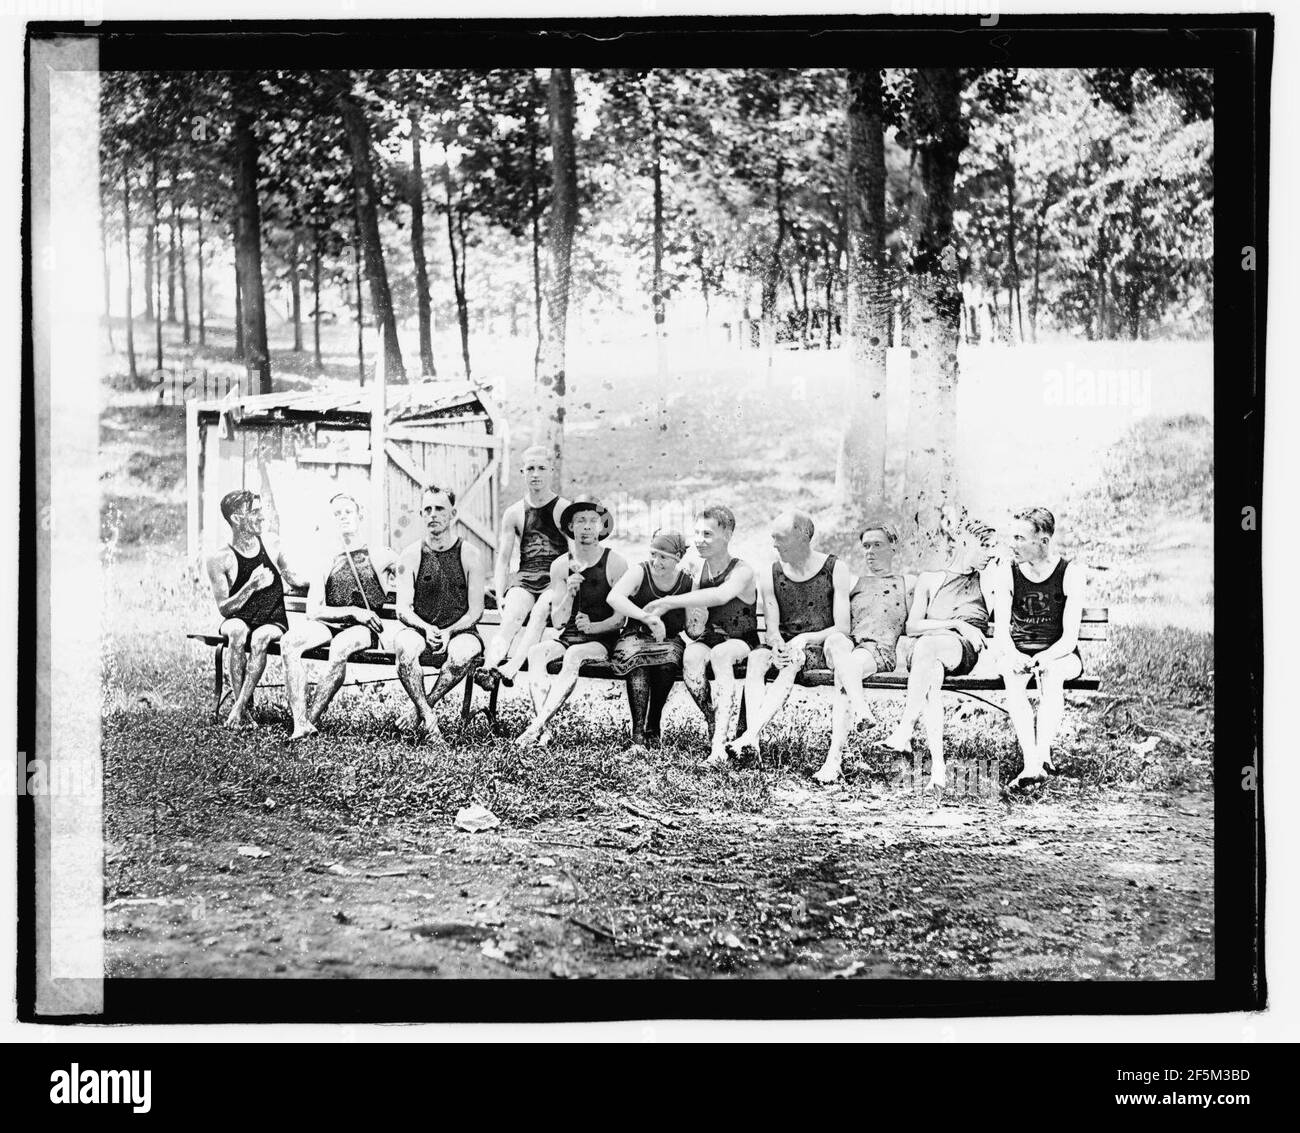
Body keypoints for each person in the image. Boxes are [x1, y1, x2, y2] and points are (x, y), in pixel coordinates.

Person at [724, 510, 852, 764]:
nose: (774, 544)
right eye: (773, 538)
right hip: (784, 648)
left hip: (818, 647)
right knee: (757, 659)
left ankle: (749, 736)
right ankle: (752, 745)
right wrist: (776, 643)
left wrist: (804, 639)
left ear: (802, 537)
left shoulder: (835, 568)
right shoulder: (770, 573)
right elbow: (772, 628)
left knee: (793, 659)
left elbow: (842, 628)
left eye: (780, 538)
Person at [881, 519, 998, 794]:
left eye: (992, 547)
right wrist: (957, 624)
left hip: (961, 652)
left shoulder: (989, 579)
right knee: (930, 672)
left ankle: (906, 728)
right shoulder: (930, 579)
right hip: (926, 653)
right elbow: (912, 627)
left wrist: (959, 631)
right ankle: (939, 768)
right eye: (984, 546)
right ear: (964, 542)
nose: (989, 553)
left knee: (928, 647)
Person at [640, 505, 760, 768]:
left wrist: (669, 601)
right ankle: (713, 719)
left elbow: (721, 595)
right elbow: (694, 626)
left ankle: (719, 747)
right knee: (691, 658)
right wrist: (692, 619)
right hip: (710, 639)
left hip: (741, 640)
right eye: (696, 533)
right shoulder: (699, 569)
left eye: (707, 534)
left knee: (720, 655)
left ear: (727, 535)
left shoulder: (742, 570)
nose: (699, 540)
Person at [280, 493, 398, 740]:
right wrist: (354, 611)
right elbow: (314, 611)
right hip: (330, 622)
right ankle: (300, 723)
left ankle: (310, 720)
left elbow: (412, 576)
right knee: (289, 642)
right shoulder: (325, 558)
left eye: (348, 512)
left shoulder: (381, 554)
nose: (343, 517)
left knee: (340, 646)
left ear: (360, 515)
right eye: (337, 514)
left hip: (363, 629)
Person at [515, 497, 628, 747]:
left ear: (601, 526)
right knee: (536, 652)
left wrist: (594, 627)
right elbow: (558, 622)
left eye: (593, 521)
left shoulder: (615, 562)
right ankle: (543, 730)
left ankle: (534, 729)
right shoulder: (560, 566)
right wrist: (569, 592)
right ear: (571, 527)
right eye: (580, 521)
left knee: (574, 655)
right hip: (569, 637)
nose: (586, 526)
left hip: (601, 641)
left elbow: (620, 619)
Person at [988, 506, 1087, 788]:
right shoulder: (1007, 572)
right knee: (1012, 674)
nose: (1012, 544)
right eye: (1013, 537)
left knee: (1052, 673)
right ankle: (1032, 763)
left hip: (1060, 654)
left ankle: (1039, 757)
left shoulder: (1070, 573)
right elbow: (1002, 632)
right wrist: (1014, 655)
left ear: (1043, 540)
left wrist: (1045, 656)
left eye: (1020, 538)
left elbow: (1069, 639)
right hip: (1018, 651)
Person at [814, 521, 916, 784]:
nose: (870, 552)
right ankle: (861, 711)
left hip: (877, 651)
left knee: (845, 673)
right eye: (866, 546)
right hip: (848, 647)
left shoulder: (907, 583)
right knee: (836, 642)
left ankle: (834, 760)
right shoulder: (853, 583)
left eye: (877, 545)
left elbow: (916, 625)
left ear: (894, 547)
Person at [392, 485, 486, 744]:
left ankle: (420, 710)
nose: (433, 514)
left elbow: (476, 610)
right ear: (421, 514)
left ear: (453, 514)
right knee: (405, 647)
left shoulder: (470, 554)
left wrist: (449, 631)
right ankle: (429, 720)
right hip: (421, 629)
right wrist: (425, 628)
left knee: (462, 654)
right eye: (428, 509)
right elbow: (403, 608)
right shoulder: (411, 555)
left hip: (460, 630)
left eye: (440, 509)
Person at [205, 489, 306, 729]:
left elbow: (293, 578)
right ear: (236, 519)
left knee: (260, 637)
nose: (262, 517)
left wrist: (321, 583)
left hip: (272, 618)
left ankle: (239, 709)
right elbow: (225, 609)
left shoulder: (272, 543)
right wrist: (251, 586)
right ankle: (244, 712)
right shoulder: (219, 558)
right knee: (237, 631)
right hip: (238, 617)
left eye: (261, 510)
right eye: (254, 512)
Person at [479, 446, 571, 689]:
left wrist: (569, 588)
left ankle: (512, 667)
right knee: (512, 614)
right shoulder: (514, 512)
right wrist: (501, 595)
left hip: (555, 579)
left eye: (541, 468)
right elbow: (503, 560)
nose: (536, 474)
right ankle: (488, 668)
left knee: (541, 610)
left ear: (551, 470)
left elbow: (576, 555)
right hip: (526, 577)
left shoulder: (564, 509)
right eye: (530, 469)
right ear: (523, 472)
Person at [606, 529, 693, 751]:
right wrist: (646, 617)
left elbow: (692, 623)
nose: (656, 561)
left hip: (668, 640)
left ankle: (653, 724)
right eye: (653, 554)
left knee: (667, 664)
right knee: (638, 665)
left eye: (663, 557)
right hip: (634, 636)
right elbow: (614, 597)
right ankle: (637, 734)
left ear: (678, 557)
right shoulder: (640, 571)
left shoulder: (686, 580)